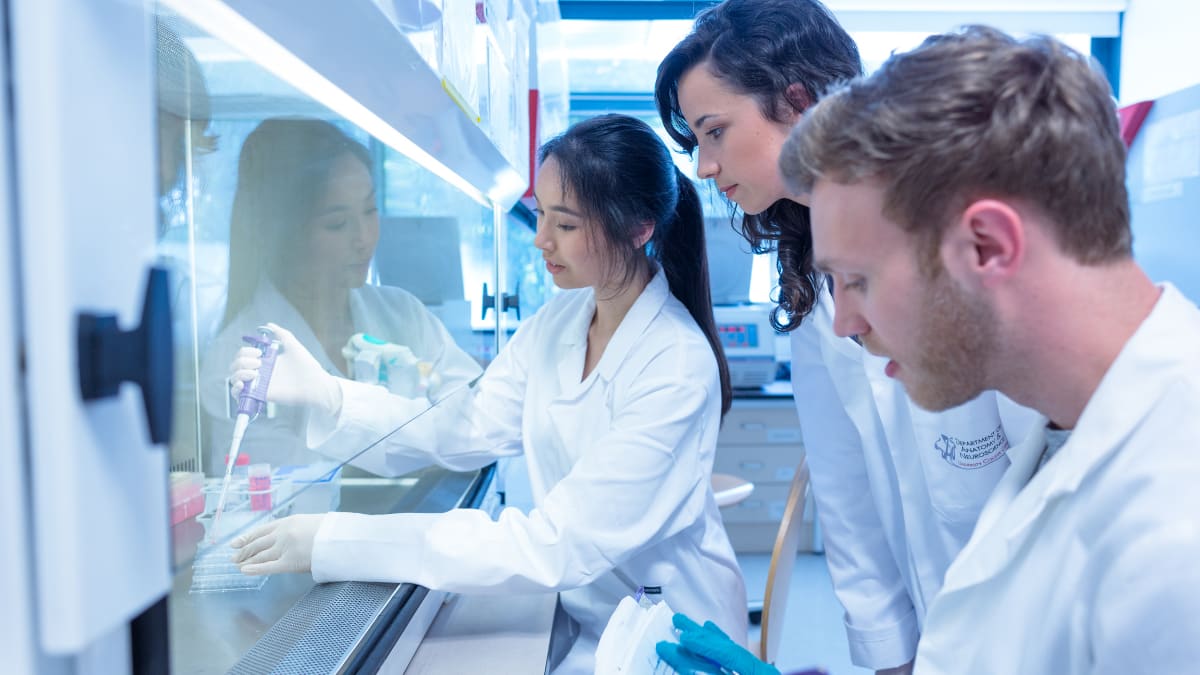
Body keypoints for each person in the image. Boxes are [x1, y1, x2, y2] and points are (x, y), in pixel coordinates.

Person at [678, 24, 1200, 674]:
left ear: (987, 246)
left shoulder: (1173, 537)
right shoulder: (1066, 433)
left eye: (860, 280)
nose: (842, 325)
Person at [225, 113, 748, 673]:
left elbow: (555, 544)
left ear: (639, 228)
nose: (542, 239)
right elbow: (465, 424)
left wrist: (338, 541)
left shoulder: (675, 364)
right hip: (591, 615)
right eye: (541, 214)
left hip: (671, 638)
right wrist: (329, 396)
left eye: (565, 225)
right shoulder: (563, 318)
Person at [654, 2, 1037, 673]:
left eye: (715, 132)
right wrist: (891, 659)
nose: (706, 168)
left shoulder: (956, 241)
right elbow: (847, 494)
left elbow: (1050, 482)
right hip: (930, 634)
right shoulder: (809, 271)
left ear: (797, 100)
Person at [199, 116, 482, 473]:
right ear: (284, 234)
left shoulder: (404, 315)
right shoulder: (240, 359)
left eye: (370, 210)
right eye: (337, 223)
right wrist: (424, 433)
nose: (364, 238)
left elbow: (476, 425)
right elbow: (286, 491)